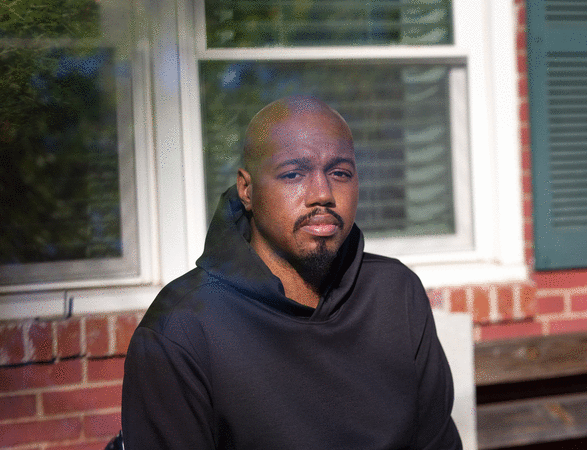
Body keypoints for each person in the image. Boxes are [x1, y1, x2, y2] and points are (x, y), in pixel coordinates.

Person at [122, 96, 462, 449]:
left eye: (340, 173)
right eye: (293, 174)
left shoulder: (394, 293)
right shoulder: (182, 327)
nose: (322, 194)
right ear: (247, 190)